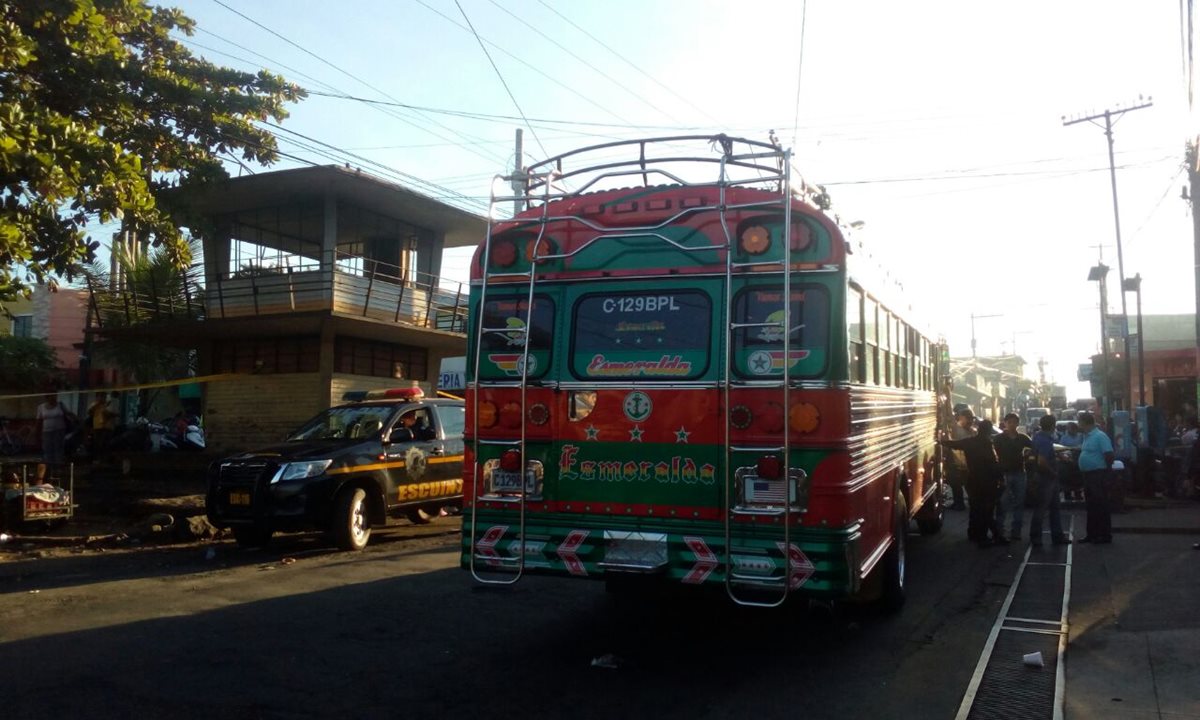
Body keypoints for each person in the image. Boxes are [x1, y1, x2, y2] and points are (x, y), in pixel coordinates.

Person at [941, 419, 1006, 547]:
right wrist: (1001, 479)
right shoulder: (987, 444)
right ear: (988, 431)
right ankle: (985, 537)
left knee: (976, 508)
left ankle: (974, 534)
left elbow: (954, 444)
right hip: (988, 482)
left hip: (973, 480)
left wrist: (940, 441)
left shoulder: (970, 442)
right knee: (986, 510)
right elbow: (993, 464)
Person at [1028, 415, 1070, 546]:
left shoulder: (1039, 437)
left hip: (1045, 478)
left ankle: (1057, 536)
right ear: (1053, 425)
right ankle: (1036, 538)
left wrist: (1058, 456)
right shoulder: (1044, 440)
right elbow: (1042, 461)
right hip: (1046, 478)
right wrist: (1053, 473)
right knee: (1042, 509)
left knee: (1054, 508)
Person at [993, 412, 1033, 543]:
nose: (1011, 424)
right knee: (1002, 504)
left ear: (1018, 423)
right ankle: (1000, 532)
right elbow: (993, 454)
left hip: (1020, 473)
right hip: (1004, 474)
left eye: (1014, 422)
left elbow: (1034, 448)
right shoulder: (998, 438)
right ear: (1005, 423)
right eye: (1009, 422)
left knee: (1019, 504)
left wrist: (1027, 456)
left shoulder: (1023, 438)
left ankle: (1016, 533)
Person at [1077, 411, 1115, 544]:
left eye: (1079, 422)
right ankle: (1092, 534)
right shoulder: (1086, 436)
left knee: (1101, 505)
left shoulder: (1100, 436)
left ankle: (1104, 535)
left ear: (1085, 423)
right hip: (1088, 475)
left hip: (1098, 475)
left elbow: (1109, 455)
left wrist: (1106, 474)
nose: (1078, 424)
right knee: (1091, 505)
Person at [945, 407, 974, 511]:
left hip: (969, 465)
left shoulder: (973, 431)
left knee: (969, 486)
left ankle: (971, 503)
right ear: (961, 418)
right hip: (955, 463)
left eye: (972, 418)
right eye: (968, 418)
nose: (971, 421)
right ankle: (959, 503)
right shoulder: (956, 429)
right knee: (955, 485)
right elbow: (950, 416)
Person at [35, 393, 68, 466]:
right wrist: (37, 434)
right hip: (46, 432)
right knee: (47, 449)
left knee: (58, 449)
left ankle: (58, 467)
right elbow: (39, 421)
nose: (53, 398)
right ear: (47, 397)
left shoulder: (60, 405)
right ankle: (49, 467)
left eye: (55, 396)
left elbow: (67, 414)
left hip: (59, 431)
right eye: (51, 396)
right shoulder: (41, 407)